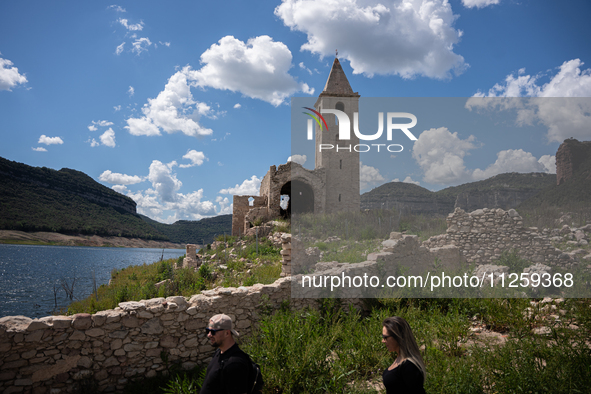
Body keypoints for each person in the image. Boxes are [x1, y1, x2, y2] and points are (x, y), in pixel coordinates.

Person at [200, 314, 254, 394]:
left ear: (227, 333)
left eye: (213, 332)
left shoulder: (235, 363)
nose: (209, 335)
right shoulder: (219, 352)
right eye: (208, 331)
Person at [382, 316, 426, 394]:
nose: (383, 341)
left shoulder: (409, 366)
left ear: (398, 336)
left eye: (385, 337)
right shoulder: (399, 360)